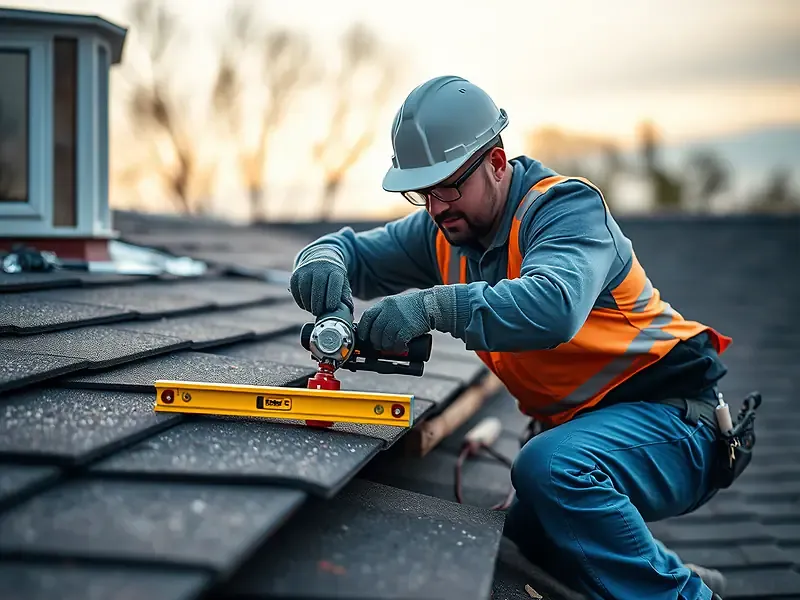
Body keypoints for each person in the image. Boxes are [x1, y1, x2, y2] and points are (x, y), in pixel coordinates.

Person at [290, 75, 733, 600]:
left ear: (497, 163)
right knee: (532, 536)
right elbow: (352, 253)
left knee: (550, 470)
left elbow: (554, 305)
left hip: (679, 424)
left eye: (449, 185)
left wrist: (431, 306)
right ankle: (681, 578)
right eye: (422, 192)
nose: (436, 207)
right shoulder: (444, 231)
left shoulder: (565, 210)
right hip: (593, 433)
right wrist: (320, 262)